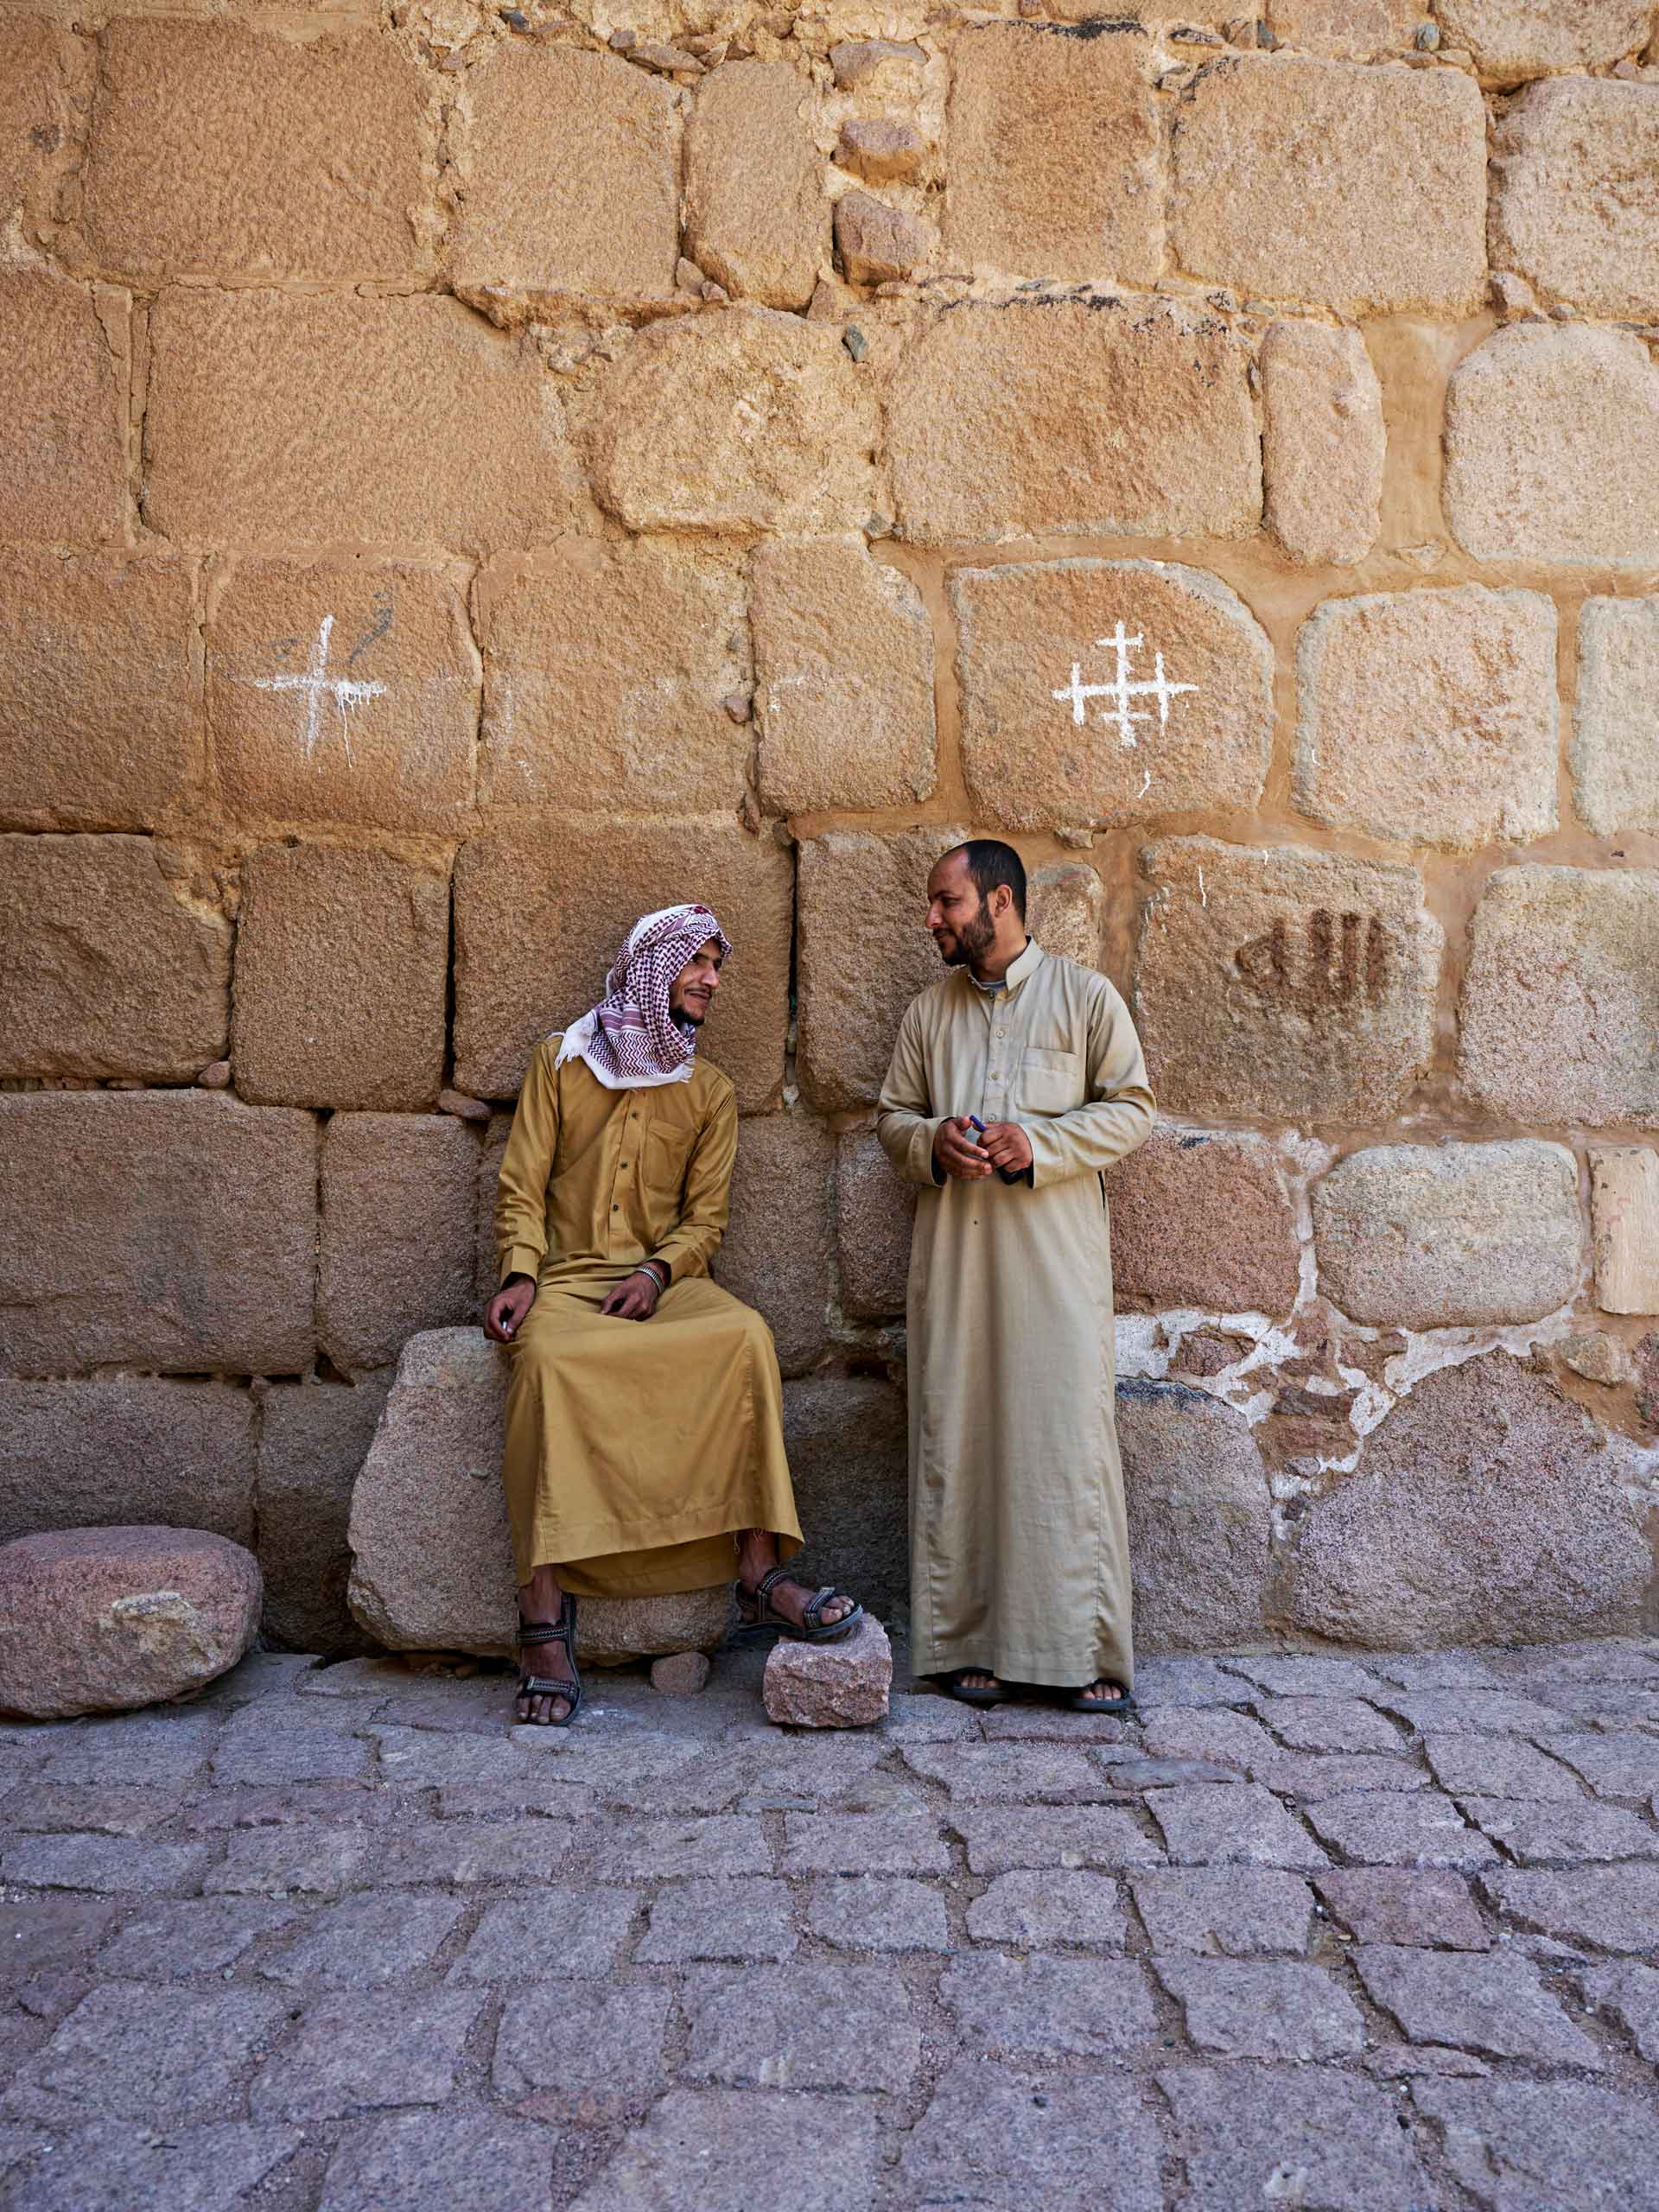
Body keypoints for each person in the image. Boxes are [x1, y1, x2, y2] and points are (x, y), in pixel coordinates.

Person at [485, 902, 861, 1725]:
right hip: (566, 1281)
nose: (712, 981)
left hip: (666, 1283)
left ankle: (759, 1573)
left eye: (717, 968)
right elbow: (521, 1186)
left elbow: (705, 1222)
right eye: (698, 963)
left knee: (745, 1338)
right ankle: (542, 1615)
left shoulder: (710, 1091)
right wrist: (518, 1276)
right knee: (545, 1365)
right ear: (651, 967)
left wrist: (659, 1274)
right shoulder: (560, 1063)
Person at [875, 841, 1155, 1713]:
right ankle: (969, 1647)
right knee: (962, 1438)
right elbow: (892, 1119)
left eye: (947, 902)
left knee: (1063, 1446)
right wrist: (931, 1144)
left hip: (1056, 1267)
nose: (933, 919)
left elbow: (1133, 1109)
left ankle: (1085, 1649)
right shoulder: (928, 1014)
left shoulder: (1085, 999)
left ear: (999, 901)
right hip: (957, 1266)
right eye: (933, 904)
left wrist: (1041, 1142)